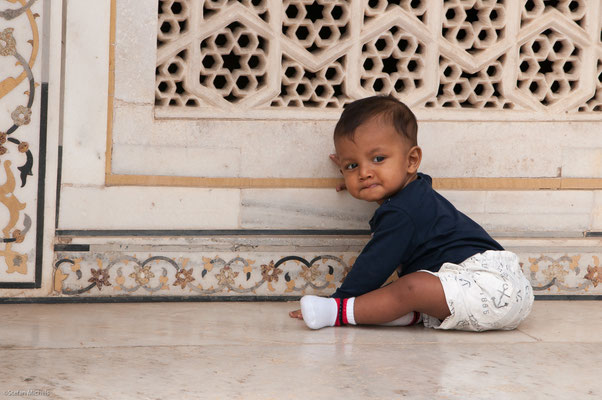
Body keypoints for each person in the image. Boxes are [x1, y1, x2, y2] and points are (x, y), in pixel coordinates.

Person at [289, 95, 533, 331]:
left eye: (377, 158)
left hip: (486, 287)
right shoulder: (415, 193)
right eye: (352, 166)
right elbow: (398, 188)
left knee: (411, 287)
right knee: (410, 289)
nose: (364, 172)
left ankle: (338, 314)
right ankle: (408, 316)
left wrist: (339, 300)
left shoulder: (402, 211)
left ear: (412, 160)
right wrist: (367, 176)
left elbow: (375, 264)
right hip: (496, 291)